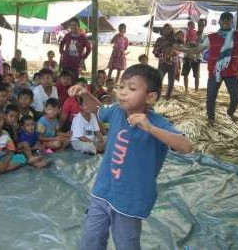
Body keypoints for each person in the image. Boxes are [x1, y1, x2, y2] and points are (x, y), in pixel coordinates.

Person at [68, 64, 192, 250]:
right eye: (121, 86)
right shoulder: (117, 111)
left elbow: (186, 146)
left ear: (150, 97)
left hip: (130, 201)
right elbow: (98, 109)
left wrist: (150, 128)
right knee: (90, 239)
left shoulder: (157, 123)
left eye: (132, 88)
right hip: (103, 191)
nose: (123, 92)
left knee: (127, 244)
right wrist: (84, 93)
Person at [181, 12, 238, 126]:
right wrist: (182, 49)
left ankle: (230, 113)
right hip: (214, 71)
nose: (226, 22)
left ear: (232, 22)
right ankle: (211, 118)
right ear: (220, 21)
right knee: (211, 96)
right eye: (224, 20)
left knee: (236, 97)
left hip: (232, 71)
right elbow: (198, 49)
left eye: (229, 20)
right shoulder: (211, 37)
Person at [153, 23, 178, 100]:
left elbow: (180, 51)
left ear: (172, 30)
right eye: (166, 29)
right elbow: (154, 51)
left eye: (169, 29)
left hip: (173, 63)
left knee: (171, 81)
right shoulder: (159, 39)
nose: (167, 30)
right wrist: (161, 46)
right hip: (162, 63)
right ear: (163, 30)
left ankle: (168, 97)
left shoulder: (176, 40)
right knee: (159, 79)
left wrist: (172, 49)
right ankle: (157, 97)